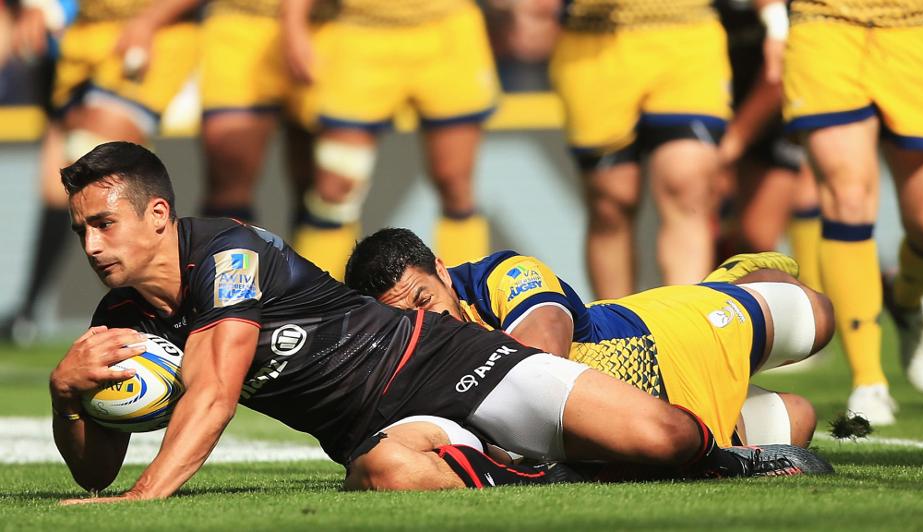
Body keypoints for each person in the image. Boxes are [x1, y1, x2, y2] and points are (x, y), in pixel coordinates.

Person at [50, 142, 830, 503]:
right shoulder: (118, 318)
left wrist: (146, 499)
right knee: (386, 474)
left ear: (159, 214)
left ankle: (726, 459)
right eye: (81, 229)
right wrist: (68, 397)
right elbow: (93, 473)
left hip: (446, 360)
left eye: (104, 223)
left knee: (663, 436)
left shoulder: (226, 252)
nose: (92, 244)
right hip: (375, 427)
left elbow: (215, 392)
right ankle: (548, 475)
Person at [345, 228, 834, 448]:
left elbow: (543, 357)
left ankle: (730, 281)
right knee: (797, 419)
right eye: (403, 317)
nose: (424, 320)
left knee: (817, 318)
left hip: (671, 336)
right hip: (655, 415)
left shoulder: (503, 275)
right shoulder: (398, 357)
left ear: (442, 272)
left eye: (424, 299)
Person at [773, 0, 923, 424]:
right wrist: (772, 22)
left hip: (918, 26)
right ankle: (869, 381)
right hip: (825, 24)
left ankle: (905, 299)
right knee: (846, 198)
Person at [281, 0, 496, 280]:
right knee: (334, 190)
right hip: (360, 33)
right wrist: (294, 25)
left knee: (456, 184)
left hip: (446, 30)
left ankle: (467, 296)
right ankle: (314, 298)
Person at [549, 0, 731, 298]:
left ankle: (686, 318)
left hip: (687, 32)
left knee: (687, 184)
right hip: (593, 39)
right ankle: (615, 321)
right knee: (610, 202)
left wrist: (773, 20)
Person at [714, 0, 821, 293]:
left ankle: (813, 299)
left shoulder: (782, 16)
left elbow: (776, 79)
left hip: (773, 116)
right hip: (716, 108)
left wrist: (733, 142)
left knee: (757, 240)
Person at [198, 0, 332, 226]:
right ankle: (230, 248)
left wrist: (295, 20)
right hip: (240, 25)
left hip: (328, 26)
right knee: (230, 173)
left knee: (329, 188)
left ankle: (319, 251)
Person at [0, 0, 77, 345]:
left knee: (108, 184)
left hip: (103, 53)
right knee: (57, 186)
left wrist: (52, 12)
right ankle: (27, 312)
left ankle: (149, 309)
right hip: (61, 64)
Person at [51, 0, 198, 164]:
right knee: (59, 171)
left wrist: (148, 22)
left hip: (155, 37)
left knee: (97, 156)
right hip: (80, 37)